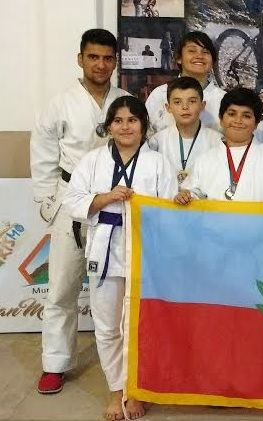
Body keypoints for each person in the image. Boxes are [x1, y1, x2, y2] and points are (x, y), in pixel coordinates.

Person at [63, 96, 177, 420]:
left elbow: (170, 209)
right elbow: (72, 201)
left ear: (143, 125)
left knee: (140, 325)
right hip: (105, 248)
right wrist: (106, 197)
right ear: (109, 126)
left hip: (145, 250)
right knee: (107, 326)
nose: (125, 126)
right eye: (118, 120)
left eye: (132, 120)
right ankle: (117, 391)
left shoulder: (158, 163)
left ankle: (136, 391)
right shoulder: (93, 160)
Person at [30, 28, 129, 396]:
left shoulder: (125, 101)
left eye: (107, 58)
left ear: (115, 62)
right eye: (93, 57)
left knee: (119, 287)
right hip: (71, 199)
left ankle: (124, 363)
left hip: (114, 201)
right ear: (80, 59)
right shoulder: (60, 104)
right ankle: (54, 363)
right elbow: (43, 154)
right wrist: (47, 200)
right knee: (61, 286)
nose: (100, 64)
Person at [174, 88, 263, 206]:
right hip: (214, 220)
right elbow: (194, 192)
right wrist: (187, 195)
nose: (238, 120)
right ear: (221, 119)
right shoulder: (205, 159)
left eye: (246, 116)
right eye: (232, 114)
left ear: (256, 123)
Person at [146, 31, 226, 132]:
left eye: (205, 52)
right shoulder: (159, 95)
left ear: (212, 61)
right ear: (179, 58)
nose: (199, 56)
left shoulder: (223, 99)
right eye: (192, 51)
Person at [148, 77, 220, 187]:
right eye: (177, 102)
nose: (185, 107)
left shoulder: (217, 141)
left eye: (192, 101)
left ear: (202, 106)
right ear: (168, 107)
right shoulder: (156, 142)